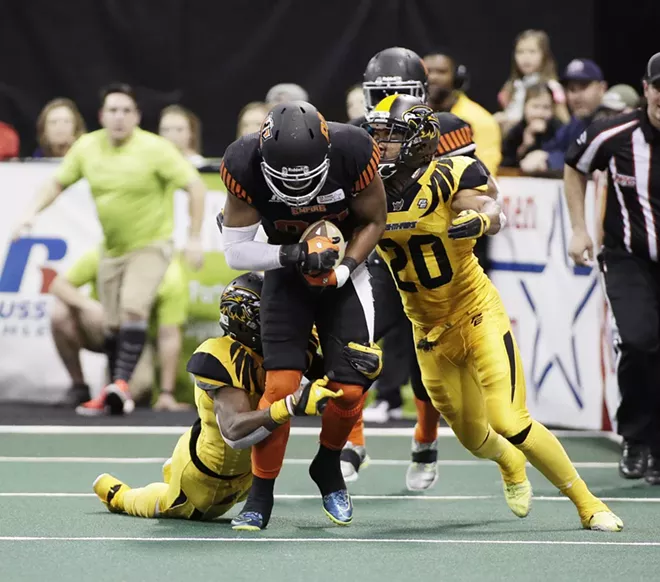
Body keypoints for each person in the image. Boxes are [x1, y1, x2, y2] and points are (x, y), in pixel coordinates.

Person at [365, 93, 623, 531]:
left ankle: (587, 503)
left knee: (508, 418)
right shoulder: (367, 192)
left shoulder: (450, 174)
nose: (378, 144)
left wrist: (484, 219)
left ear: (418, 139)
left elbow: (489, 205)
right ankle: (509, 463)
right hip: (427, 332)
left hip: (475, 312)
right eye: (376, 134)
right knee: (473, 438)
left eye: (389, 135)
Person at [219, 100, 387, 529]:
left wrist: (345, 268)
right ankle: (261, 494)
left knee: (350, 389)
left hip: (345, 272)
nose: (298, 186)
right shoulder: (243, 162)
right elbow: (235, 249)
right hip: (286, 273)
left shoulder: (354, 149)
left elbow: (374, 219)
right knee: (280, 389)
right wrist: (293, 254)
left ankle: (328, 465)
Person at [12, 83, 206, 416]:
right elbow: (56, 182)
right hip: (111, 252)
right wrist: (30, 213)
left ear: (137, 116)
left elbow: (196, 187)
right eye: (113, 110)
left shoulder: (155, 149)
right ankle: (115, 389)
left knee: (133, 308)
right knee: (114, 326)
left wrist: (194, 237)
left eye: (126, 111)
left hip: (151, 245)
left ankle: (120, 386)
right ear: (102, 115)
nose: (119, 117)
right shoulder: (87, 147)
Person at [92, 273, 345, 520]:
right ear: (247, 320)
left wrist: (358, 365)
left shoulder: (285, 347)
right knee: (169, 503)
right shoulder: (221, 356)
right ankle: (119, 496)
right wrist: (290, 405)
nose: (286, 321)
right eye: (276, 315)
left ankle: (168, 472)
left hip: (248, 474)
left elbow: (330, 372)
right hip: (206, 478)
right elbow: (235, 432)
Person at [564, 52, 660, 486]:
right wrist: (580, 229)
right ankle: (637, 437)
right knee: (639, 342)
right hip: (628, 257)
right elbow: (574, 165)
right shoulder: (615, 132)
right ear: (646, 88)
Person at [49, 247, 189, 411]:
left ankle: (119, 382)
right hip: (100, 328)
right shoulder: (105, 253)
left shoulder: (170, 276)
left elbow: (169, 336)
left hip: (136, 344)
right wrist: (89, 307)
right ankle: (79, 387)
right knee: (60, 313)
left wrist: (167, 393)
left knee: (136, 392)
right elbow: (58, 285)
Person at [423, 50, 502, 175]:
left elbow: (485, 173)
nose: (433, 77)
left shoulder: (480, 120)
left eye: (441, 72)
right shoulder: (410, 116)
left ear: (457, 78)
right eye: (428, 72)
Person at [523, 59, 607, 173]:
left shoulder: (610, 119)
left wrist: (549, 160)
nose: (576, 96)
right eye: (572, 89)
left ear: (602, 88)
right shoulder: (576, 122)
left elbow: (591, 160)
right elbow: (552, 148)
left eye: (583, 87)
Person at [495, 29, 569, 136]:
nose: (526, 57)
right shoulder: (512, 86)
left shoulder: (552, 87)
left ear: (544, 55)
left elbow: (564, 122)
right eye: (520, 52)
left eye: (532, 52)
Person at [502, 83, 564, 169]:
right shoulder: (516, 131)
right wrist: (525, 146)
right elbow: (505, 166)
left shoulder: (559, 129)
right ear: (525, 108)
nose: (540, 113)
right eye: (535, 107)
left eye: (546, 107)